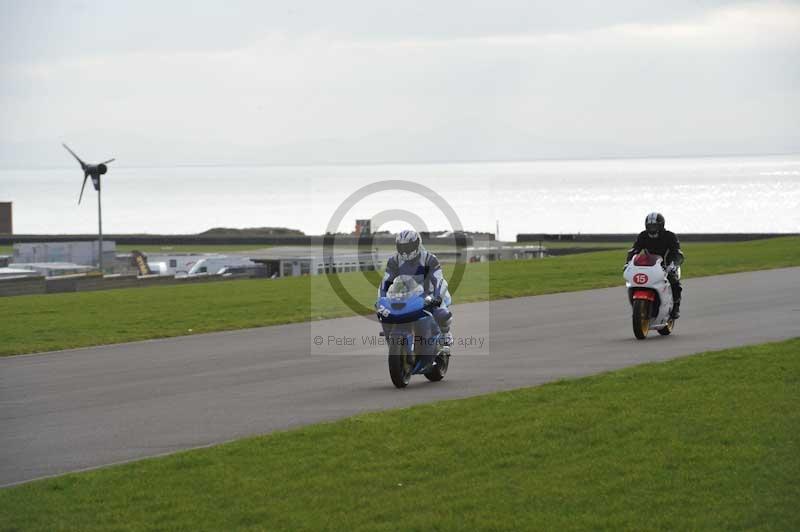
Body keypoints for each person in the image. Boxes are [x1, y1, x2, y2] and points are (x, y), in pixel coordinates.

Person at [379, 229, 453, 346]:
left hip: (431, 293)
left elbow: (438, 280)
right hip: (409, 293)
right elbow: (385, 282)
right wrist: (382, 299)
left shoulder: (429, 259)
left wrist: (437, 298)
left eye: (408, 247)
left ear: (417, 244)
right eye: (402, 247)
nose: (405, 251)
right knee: (385, 313)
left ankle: (445, 334)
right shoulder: (393, 261)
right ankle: (391, 337)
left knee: (441, 312)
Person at [626, 212, 684, 318]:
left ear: (661, 225)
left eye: (654, 226)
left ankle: (676, 307)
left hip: (667, 265)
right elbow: (634, 250)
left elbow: (678, 253)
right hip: (649, 265)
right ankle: (638, 305)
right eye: (650, 226)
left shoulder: (670, 236)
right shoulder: (643, 236)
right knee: (636, 279)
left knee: (674, 281)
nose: (652, 229)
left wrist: (674, 265)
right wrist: (628, 263)